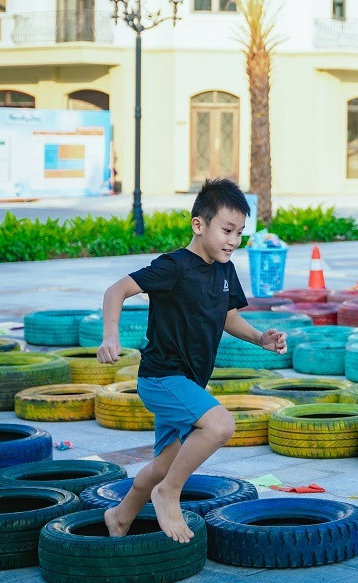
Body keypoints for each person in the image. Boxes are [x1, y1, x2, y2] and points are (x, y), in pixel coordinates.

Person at [96, 179, 287, 543]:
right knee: (219, 426)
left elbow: (228, 316)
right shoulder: (174, 266)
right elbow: (116, 290)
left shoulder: (225, 270)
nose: (234, 241)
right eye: (227, 231)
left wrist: (260, 338)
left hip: (188, 384)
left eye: (240, 233)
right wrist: (110, 336)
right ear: (198, 224)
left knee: (162, 467)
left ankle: (120, 517)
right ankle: (168, 494)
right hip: (162, 378)